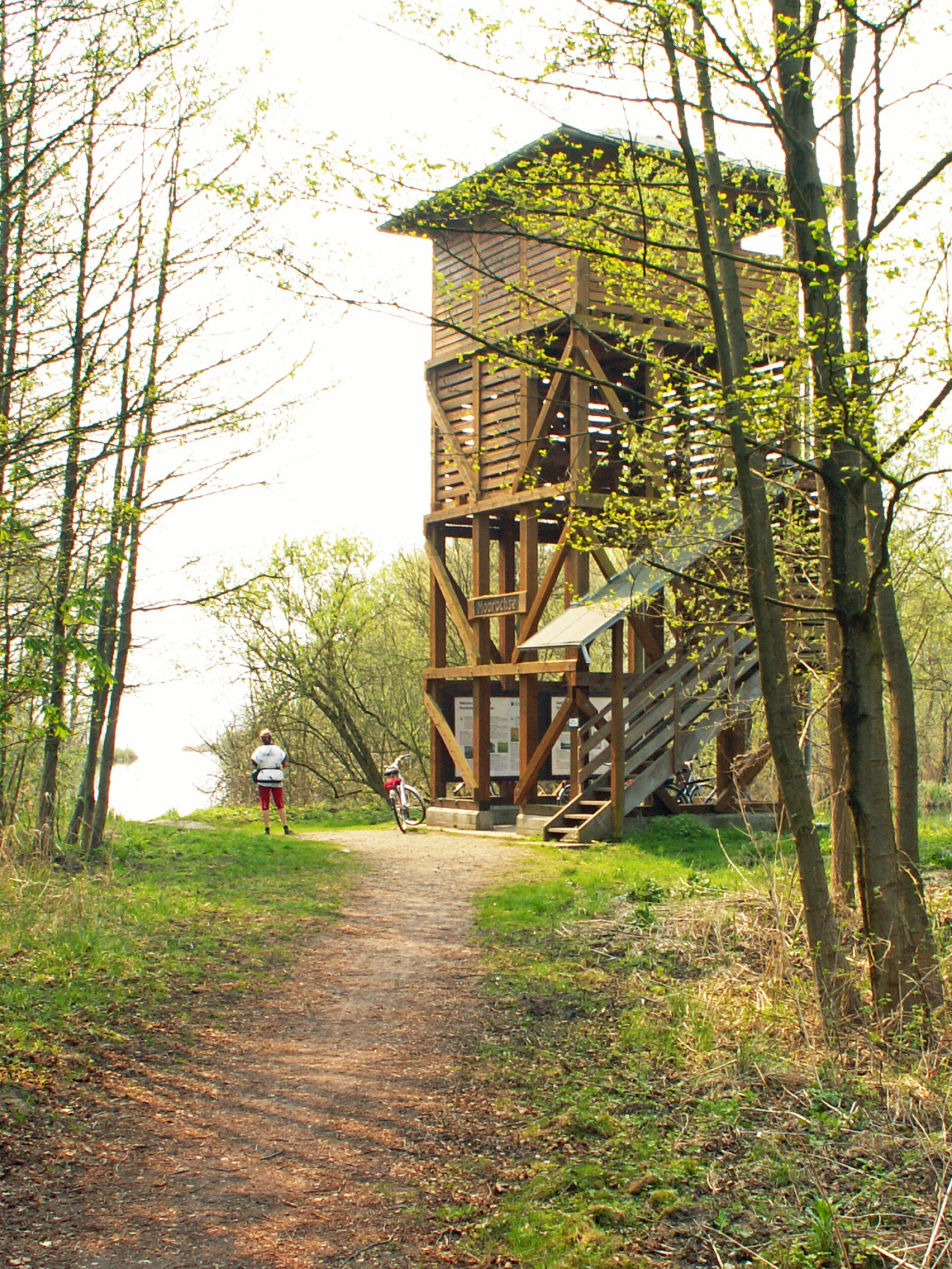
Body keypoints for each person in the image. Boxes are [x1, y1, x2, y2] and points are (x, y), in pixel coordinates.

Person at [250, 728, 292, 835]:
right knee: (279, 802)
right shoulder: (278, 749)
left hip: (263, 777)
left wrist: (262, 766)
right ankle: (285, 827)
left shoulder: (258, 750)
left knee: (264, 803)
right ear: (271, 738)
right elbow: (283, 762)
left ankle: (267, 828)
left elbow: (254, 762)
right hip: (276, 777)